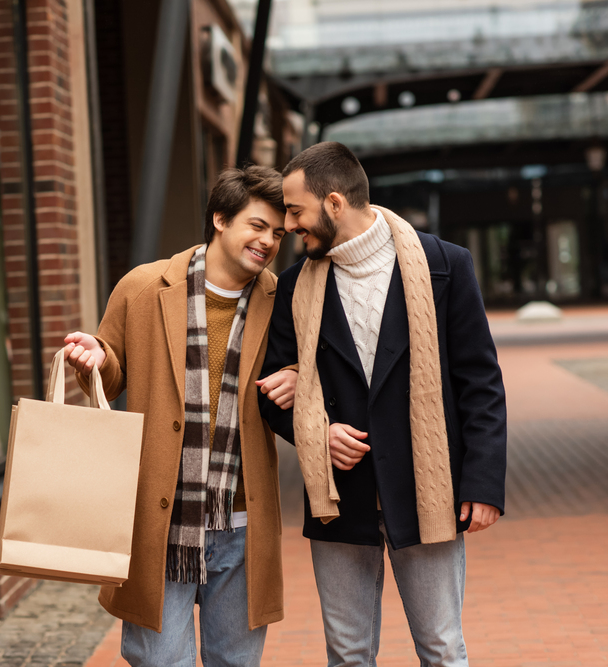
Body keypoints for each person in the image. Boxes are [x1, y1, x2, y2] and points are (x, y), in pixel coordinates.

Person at [257, 142, 507, 667]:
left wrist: (482, 482)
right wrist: (316, 433)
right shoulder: (294, 288)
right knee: (347, 654)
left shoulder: (445, 266)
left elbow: (480, 381)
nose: (289, 224)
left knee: (441, 648)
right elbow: (274, 391)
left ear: (333, 203)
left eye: (296, 211)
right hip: (339, 497)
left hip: (427, 493)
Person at [63, 165, 295, 667]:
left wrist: (298, 376)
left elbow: (306, 371)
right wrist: (96, 358)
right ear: (220, 218)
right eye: (257, 225)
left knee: (234, 661)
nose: (268, 241)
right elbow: (113, 370)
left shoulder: (282, 299)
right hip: (159, 518)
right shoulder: (143, 286)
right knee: (159, 660)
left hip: (240, 520)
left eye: (278, 232)